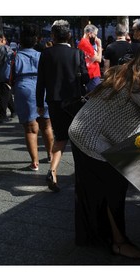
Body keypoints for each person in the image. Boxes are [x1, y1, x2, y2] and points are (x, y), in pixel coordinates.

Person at [68, 37, 140, 259]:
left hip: (82, 131)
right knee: (114, 191)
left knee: (95, 190)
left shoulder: (132, 72)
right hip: (93, 140)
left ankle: (94, 235)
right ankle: (118, 243)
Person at [36, 19, 89, 192]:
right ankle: (81, 176)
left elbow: (41, 82)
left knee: (60, 138)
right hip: (74, 101)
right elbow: (86, 79)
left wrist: (39, 104)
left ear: (53, 36)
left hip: (54, 101)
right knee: (77, 139)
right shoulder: (77, 53)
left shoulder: (46, 54)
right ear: (69, 35)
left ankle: (52, 171)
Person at [11, 24, 54, 171]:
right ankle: (50, 155)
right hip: (43, 88)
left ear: (20, 41)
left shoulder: (15, 56)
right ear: (36, 41)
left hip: (24, 88)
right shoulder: (42, 55)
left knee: (30, 128)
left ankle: (34, 162)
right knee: (47, 125)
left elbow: (7, 75)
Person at [0, 31, 16, 123]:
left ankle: (14, 110)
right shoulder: (5, 48)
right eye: (4, 39)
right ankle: (2, 116)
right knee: (4, 94)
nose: (5, 41)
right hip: (4, 75)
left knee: (5, 92)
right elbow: (13, 57)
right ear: (1, 39)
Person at [77, 24, 102, 93]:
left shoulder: (84, 43)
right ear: (90, 34)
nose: (96, 37)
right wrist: (99, 45)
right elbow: (99, 59)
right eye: (95, 34)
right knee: (96, 96)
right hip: (92, 74)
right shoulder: (85, 44)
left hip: (91, 74)